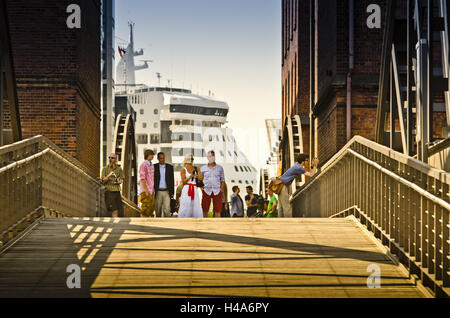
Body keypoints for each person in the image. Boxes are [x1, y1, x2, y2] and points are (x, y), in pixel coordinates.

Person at [271, 153, 319, 217]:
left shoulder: (296, 165)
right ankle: (288, 222)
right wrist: (315, 165)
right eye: (307, 160)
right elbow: (311, 174)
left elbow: (309, 173)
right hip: (283, 186)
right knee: (286, 206)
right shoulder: (299, 168)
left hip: (280, 186)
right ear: (303, 161)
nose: (308, 162)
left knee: (281, 206)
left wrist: (312, 166)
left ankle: (281, 221)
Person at [200, 150, 226, 218]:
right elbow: (200, 180)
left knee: (218, 210)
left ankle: (217, 225)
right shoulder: (203, 168)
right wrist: (202, 190)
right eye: (210, 156)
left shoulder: (220, 168)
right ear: (207, 157)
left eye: (213, 156)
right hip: (206, 191)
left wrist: (221, 190)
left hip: (217, 191)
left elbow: (222, 180)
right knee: (205, 209)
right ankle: (204, 225)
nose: (211, 158)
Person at [178, 154, 204, 218]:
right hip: (187, 188)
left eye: (192, 159)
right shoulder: (183, 169)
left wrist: (197, 176)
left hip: (194, 188)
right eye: (190, 159)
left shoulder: (196, 168)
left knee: (195, 204)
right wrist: (190, 176)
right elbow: (183, 181)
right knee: (185, 204)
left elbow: (201, 178)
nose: (191, 160)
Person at [101, 153, 124, 218]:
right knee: (114, 210)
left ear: (115, 159)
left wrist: (117, 182)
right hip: (109, 191)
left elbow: (121, 180)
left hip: (117, 191)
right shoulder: (105, 169)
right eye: (109, 157)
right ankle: (115, 225)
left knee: (119, 209)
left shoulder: (119, 169)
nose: (110, 159)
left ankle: (115, 223)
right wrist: (109, 175)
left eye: (112, 158)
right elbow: (102, 181)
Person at [154, 152, 175, 218]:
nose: (162, 160)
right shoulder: (154, 167)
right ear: (158, 158)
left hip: (167, 191)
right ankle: (158, 226)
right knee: (158, 210)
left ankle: (167, 225)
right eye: (161, 158)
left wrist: (172, 192)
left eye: (163, 158)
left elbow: (172, 180)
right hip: (158, 191)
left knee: (167, 210)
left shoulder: (170, 167)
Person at [139, 149, 155, 217]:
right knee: (145, 207)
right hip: (145, 190)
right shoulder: (143, 165)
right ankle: (142, 223)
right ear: (147, 155)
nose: (152, 156)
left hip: (151, 190)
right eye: (151, 154)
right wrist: (146, 190)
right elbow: (142, 178)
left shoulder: (151, 165)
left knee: (151, 208)